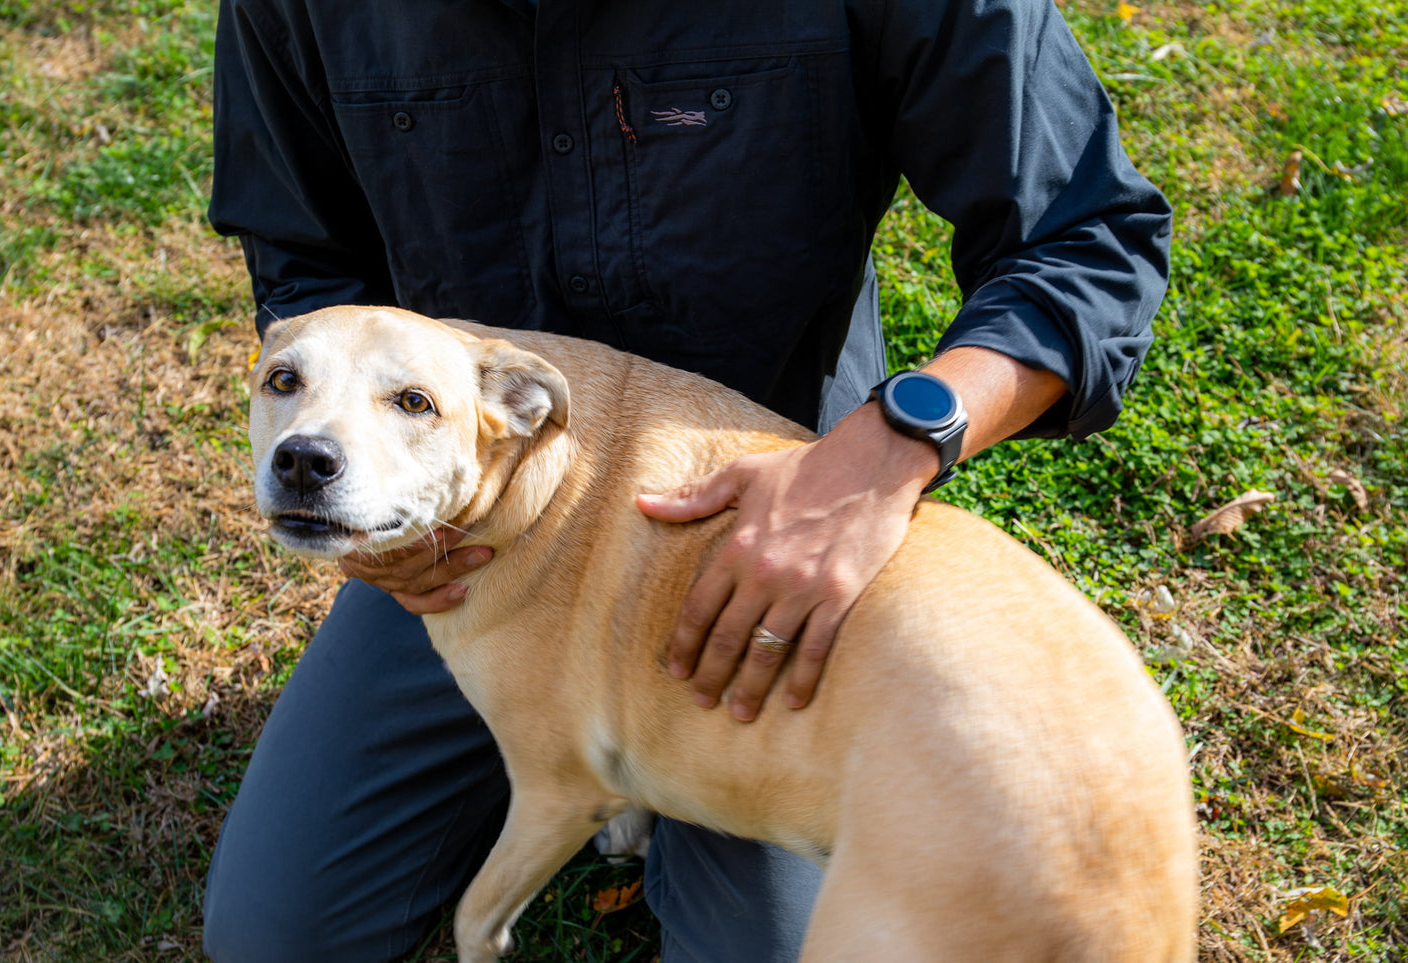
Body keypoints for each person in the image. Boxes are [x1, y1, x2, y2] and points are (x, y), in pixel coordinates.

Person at [202, 0, 1171, 959]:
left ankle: (624, 769)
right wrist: (356, 478)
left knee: (772, 949)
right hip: (465, 513)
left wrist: (884, 452)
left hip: (766, 518)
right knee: (275, 937)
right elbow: (306, 265)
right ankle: (561, 741)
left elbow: (1086, 244)